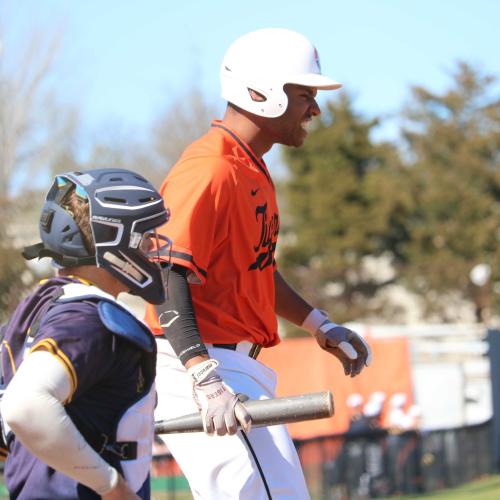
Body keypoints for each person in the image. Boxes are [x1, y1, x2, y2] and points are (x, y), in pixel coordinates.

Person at [146, 28, 372, 499]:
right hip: (199, 361)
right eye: (304, 94)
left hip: (230, 363)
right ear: (261, 92)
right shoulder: (210, 167)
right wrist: (203, 376)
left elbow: (256, 269)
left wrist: (317, 323)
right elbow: (166, 272)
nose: (314, 109)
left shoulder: (248, 165)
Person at [0, 168, 171, 499]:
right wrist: (111, 486)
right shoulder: (89, 317)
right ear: (114, 239)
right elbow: (23, 406)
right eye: (145, 234)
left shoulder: (36, 310)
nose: (154, 246)